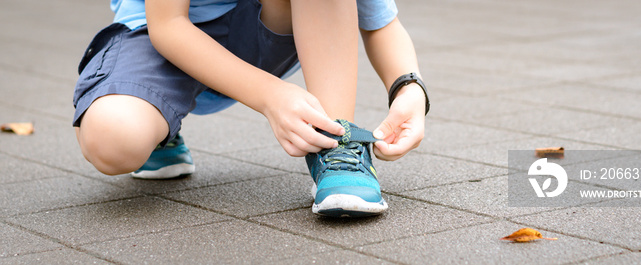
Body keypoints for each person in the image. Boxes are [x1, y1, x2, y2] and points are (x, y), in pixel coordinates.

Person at [72, 0, 430, 217]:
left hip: (259, 27)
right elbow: (167, 26)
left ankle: (335, 146)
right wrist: (270, 95)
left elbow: (380, 21)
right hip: (153, 39)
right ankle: (159, 123)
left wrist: (408, 88)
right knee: (112, 139)